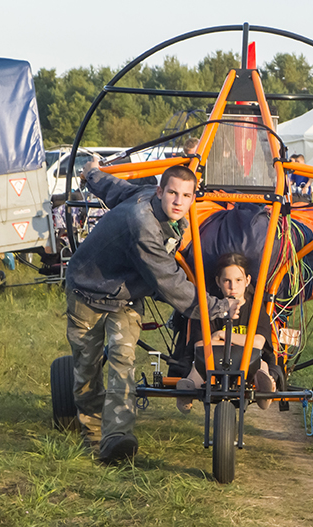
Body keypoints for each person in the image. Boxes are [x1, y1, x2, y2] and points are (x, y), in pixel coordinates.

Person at [66, 159, 238, 464]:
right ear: (160, 192)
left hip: (125, 299)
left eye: (186, 195)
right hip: (87, 291)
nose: (178, 202)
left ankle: (116, 438)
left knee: (123, 360)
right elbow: (169, 282)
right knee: (87, 369)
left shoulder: (146, 196)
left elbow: (115, 189)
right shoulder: (144, 224)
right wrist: (220, 307)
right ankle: (92, 435)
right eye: (172, 193)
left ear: (194, 197)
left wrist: (91, 172)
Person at [176, 253, 277, 412]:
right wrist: (242, 341)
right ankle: (188, 391)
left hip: (248, 363)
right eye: (227, 281)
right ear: (218, 282)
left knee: (262, 364)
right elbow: (200, 345)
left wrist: (221, 335)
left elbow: (259, 343)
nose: (233, 287)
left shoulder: (255, 308)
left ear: (247, 281)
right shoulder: (209, 308)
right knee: (198, 365)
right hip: (213, 363)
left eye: (238, 280)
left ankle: (264, 394)